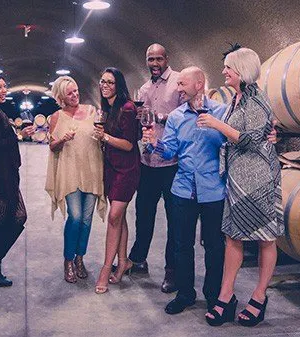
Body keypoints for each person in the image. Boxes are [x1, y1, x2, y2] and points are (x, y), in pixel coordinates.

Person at [199, 46, 283, 327]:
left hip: (258, 179)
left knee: (265, 238)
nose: (224, 71)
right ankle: (227, 295)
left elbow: (247, 139)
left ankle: (259, 296)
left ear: (242, 70)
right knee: (232, 236)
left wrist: (215, 124)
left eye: (228, 67)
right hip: (238, 178)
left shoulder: (256, 100)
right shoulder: (237, 99)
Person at [142, 66, 227, 316]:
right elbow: (170, 152)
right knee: (181, 244)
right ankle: (185, 293)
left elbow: (231, 145)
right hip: (182, 189)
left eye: (182, 84)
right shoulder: (177, 117)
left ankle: (213, 295)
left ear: (199, 85)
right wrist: (153, 146)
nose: (178, 88)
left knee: (214, 246)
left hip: (213, 190)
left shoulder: (221, 113)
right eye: (178, 84)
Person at [128, 43, 182, 293]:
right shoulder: (145, 88)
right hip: (148, 160)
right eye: (151, 59)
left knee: (174, 219)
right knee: (143, 213)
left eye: (159, 59)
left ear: (166, 59)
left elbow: (187, 117)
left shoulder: (179, 82)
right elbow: (142, 123)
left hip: (172, 161)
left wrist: (160, 117)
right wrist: (140, 123)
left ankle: (172, 270)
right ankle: (139, 258)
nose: (155, 64)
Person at [45, 76, 106, 283]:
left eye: (76, 90)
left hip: (92, 170)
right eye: (70, 93)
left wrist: (102, 134)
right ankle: (68, 260)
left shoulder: (91, 111)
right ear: (61, 96)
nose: (75, 95)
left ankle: (80, 258)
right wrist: (62, 139)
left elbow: (100, 135)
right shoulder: (56, 117)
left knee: (87, 220)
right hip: (69, 171)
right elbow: (52, 147)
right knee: (76, 217)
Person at [0, 72, 34, 287]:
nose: (4, 90)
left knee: (12, 218)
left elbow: (3, 139)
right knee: (8, 218)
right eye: (0, 87)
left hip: (7, 172)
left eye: (5, 86)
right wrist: (16, 135)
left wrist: (16, 131)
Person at [93, 68, 140, 294]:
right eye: (103, 81)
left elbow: (129, 144)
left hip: (127, 169)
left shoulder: (128, 109)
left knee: (113, 217)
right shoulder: (108, 108)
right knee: (118, 217)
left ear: (118, 85)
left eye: (110, 82)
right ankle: (123, 262)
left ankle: (105, 268)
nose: (105, 85)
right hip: (111, 168)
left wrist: (105, 137)